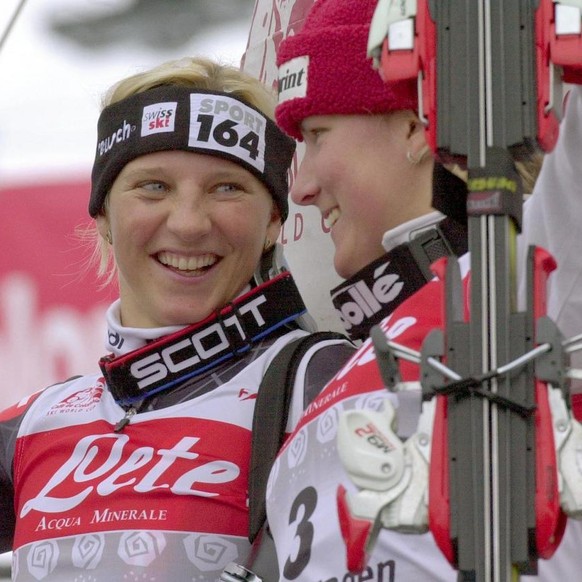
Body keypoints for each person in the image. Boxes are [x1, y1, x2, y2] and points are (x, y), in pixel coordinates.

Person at [0, 56, 355, 581]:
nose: (189, 224)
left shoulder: (322, 382)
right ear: (103, 217)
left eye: (226, 188)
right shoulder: (31, 425)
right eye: (154, 187)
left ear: (273, 222)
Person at [260, 0, 582, 580]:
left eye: (317, 135)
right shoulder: (339, 360)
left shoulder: (532, 269)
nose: (301, 187)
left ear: (414, 126)